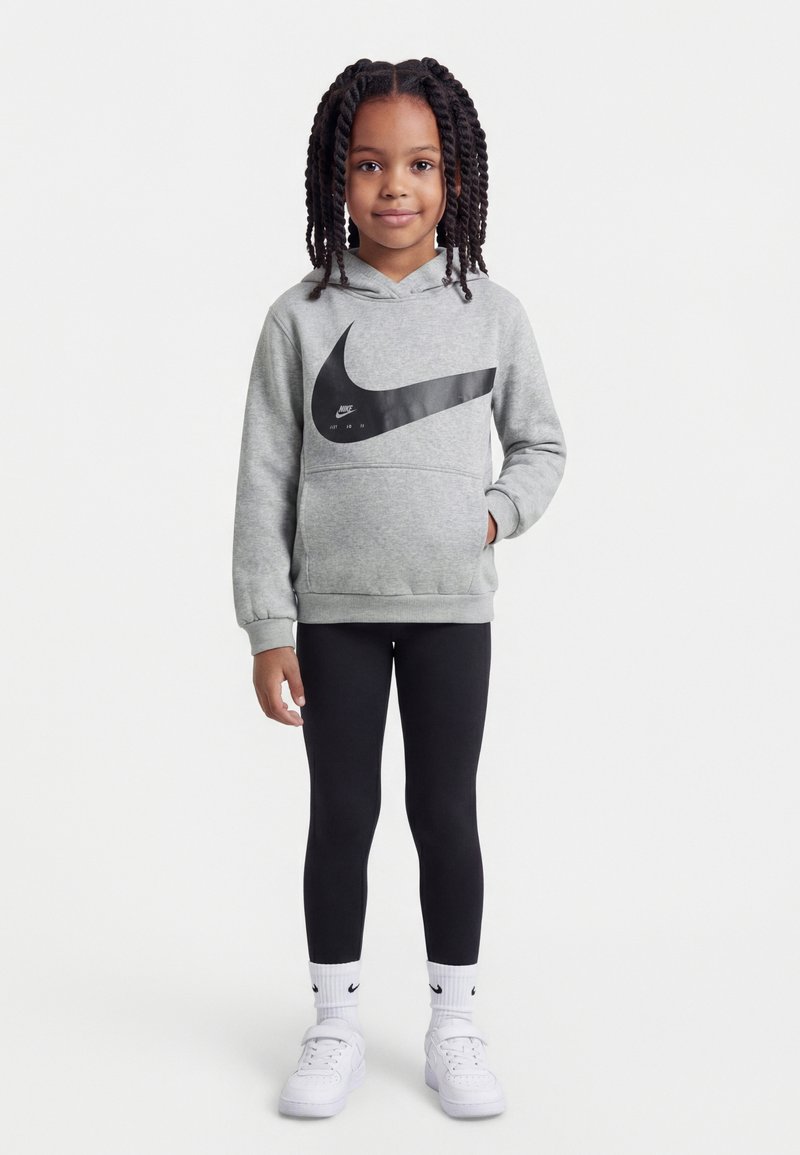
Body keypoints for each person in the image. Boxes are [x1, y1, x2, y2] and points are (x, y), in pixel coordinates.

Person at [232, 56, 567, 1120]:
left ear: (453, 178)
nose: (394, 187)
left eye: (419, 165)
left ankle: (453, 1023)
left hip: (449, 614)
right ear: (336, 176)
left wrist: (491, 516)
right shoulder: (298, 316)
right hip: (330, 615)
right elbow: (264, 478)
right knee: (342, 812)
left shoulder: (491, 312)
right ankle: (333, 1022)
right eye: (369, 164)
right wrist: (267, 625)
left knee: (443, 812)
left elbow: (541, 446)